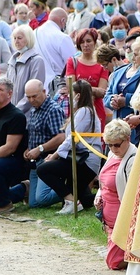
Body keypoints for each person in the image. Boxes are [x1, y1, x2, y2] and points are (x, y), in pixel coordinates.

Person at [36, 79, 102, 214]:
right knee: (84, 198)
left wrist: (54, 156)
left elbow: (72, 139)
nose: (68, 96)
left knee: (43, 169)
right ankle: (108, 199)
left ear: (78, 95)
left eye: (71, 93)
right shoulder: (85, 111)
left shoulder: (85, 111)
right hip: (80, 158)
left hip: (85, 160)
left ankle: (72, 201)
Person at [9, 79, 65, 209]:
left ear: (44, 92)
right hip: (35, 160)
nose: (31, 100)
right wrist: (29, 148)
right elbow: (36, 134)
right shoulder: (35, 109)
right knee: (34, 203)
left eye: (34, 96)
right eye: (28, 97)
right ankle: (29, 187)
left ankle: (71, 190)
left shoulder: (53, 110)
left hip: (48, 159)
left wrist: (40, 149)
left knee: (41, 199)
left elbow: (61, 137)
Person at [95, 119, 137, 270]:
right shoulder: (113, 155)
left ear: (127, 139)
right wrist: (99, 195)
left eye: (117, 144)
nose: (113, 149)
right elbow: (104, 180)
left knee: (114, 262)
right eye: (109, 145)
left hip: (124, 220)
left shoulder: (133, 159)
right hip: (110, 220)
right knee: (113, 261)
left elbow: (133, 192)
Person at [0, 78, 28, 214]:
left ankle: (5, 205)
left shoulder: (16, 116)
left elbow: (10, 148)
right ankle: (24, 189)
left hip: (14, 161)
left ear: (9, 94)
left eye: (0, 90)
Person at [66, 28, 109, 128]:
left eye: (88, 41)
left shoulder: (102, 64)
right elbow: (71, 88)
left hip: (97, 110)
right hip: (77, 108)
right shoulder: (72, 62)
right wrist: (93, 90)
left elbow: (102, 92)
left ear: (94, 42)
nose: (85, 45)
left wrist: (81, 87)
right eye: (82, 42)